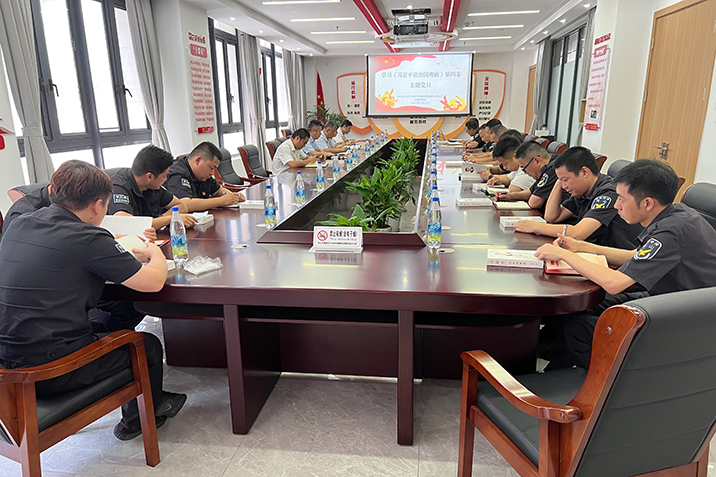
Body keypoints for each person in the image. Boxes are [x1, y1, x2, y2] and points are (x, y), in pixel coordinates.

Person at [0, 160, 187, 441]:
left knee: (108, 319)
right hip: (48, 372)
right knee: (145, 345)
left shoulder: (19, 223)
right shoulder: (88, 237)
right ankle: (137, 421)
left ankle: (147, 401)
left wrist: (110, 242)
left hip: (6, 363)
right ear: (98, 206)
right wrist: (154, 252)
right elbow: (153, 282)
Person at [534, 159, 716, 369]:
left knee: (581, 328)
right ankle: (556, 369)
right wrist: (581, 246)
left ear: (647, 203)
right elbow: (635, 256)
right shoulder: (678, 214)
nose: (616, 205)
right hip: (672, 300)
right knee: (586, 305)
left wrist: (563, 255)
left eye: (621, 199)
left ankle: (605, 383)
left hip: (686, 320)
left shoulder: (670, 232)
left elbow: (615, 283)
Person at [514, 146, 642, 249]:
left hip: (618, 261)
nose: (564, 186)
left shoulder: (608, 193)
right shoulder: (582, 191)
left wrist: (535, 226)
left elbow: (578, 233)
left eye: (566, 180)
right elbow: (552, 217)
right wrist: (559, 182)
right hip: (594, 250)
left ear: (584, 172)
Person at [109, 145, 197, 232]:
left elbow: (181, 207)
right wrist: (169, 219)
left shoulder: (151, 185)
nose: (166, 179)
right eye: (164, 176)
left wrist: (160, 220)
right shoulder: (118, 187)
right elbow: (125, 224)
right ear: (149, 176)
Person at [164, 141, 245, 212]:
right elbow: (185, 204)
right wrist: (221, 201)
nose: (212, 173)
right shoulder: (177, 173)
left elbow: (218, 190)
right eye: (211, 168)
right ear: (198, 160)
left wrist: (233, 197)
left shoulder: (204, 175)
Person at [515, 141, 571, 214]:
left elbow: (534, 203)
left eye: (524, 168)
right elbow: (531, 191)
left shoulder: (554, 168)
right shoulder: (548, 164)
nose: (525, 173)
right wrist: (510, 196)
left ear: (537, 161)